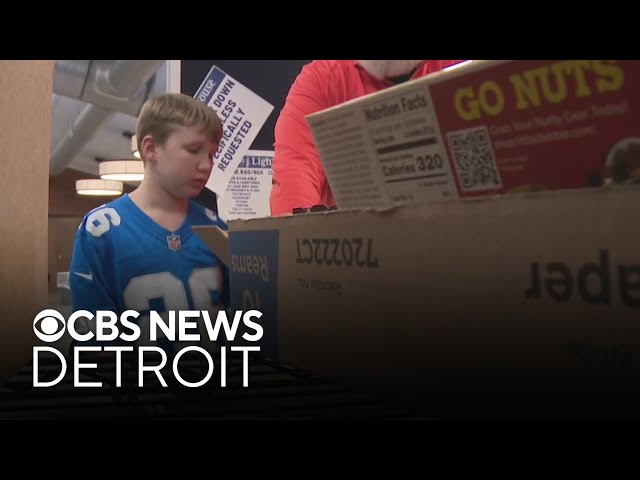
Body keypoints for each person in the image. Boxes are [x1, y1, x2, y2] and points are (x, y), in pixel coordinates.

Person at [69, 92, 229, 359]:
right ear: (150, 148)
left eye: (212, 154)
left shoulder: (217, 229)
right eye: (193, 150)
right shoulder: (100, 232)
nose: (206, 165)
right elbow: (91, 343)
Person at [269, 60, 464, 216]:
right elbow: (296, 168)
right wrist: (301, 246)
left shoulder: (464, 68)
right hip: (353, 251)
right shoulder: (322, 79)